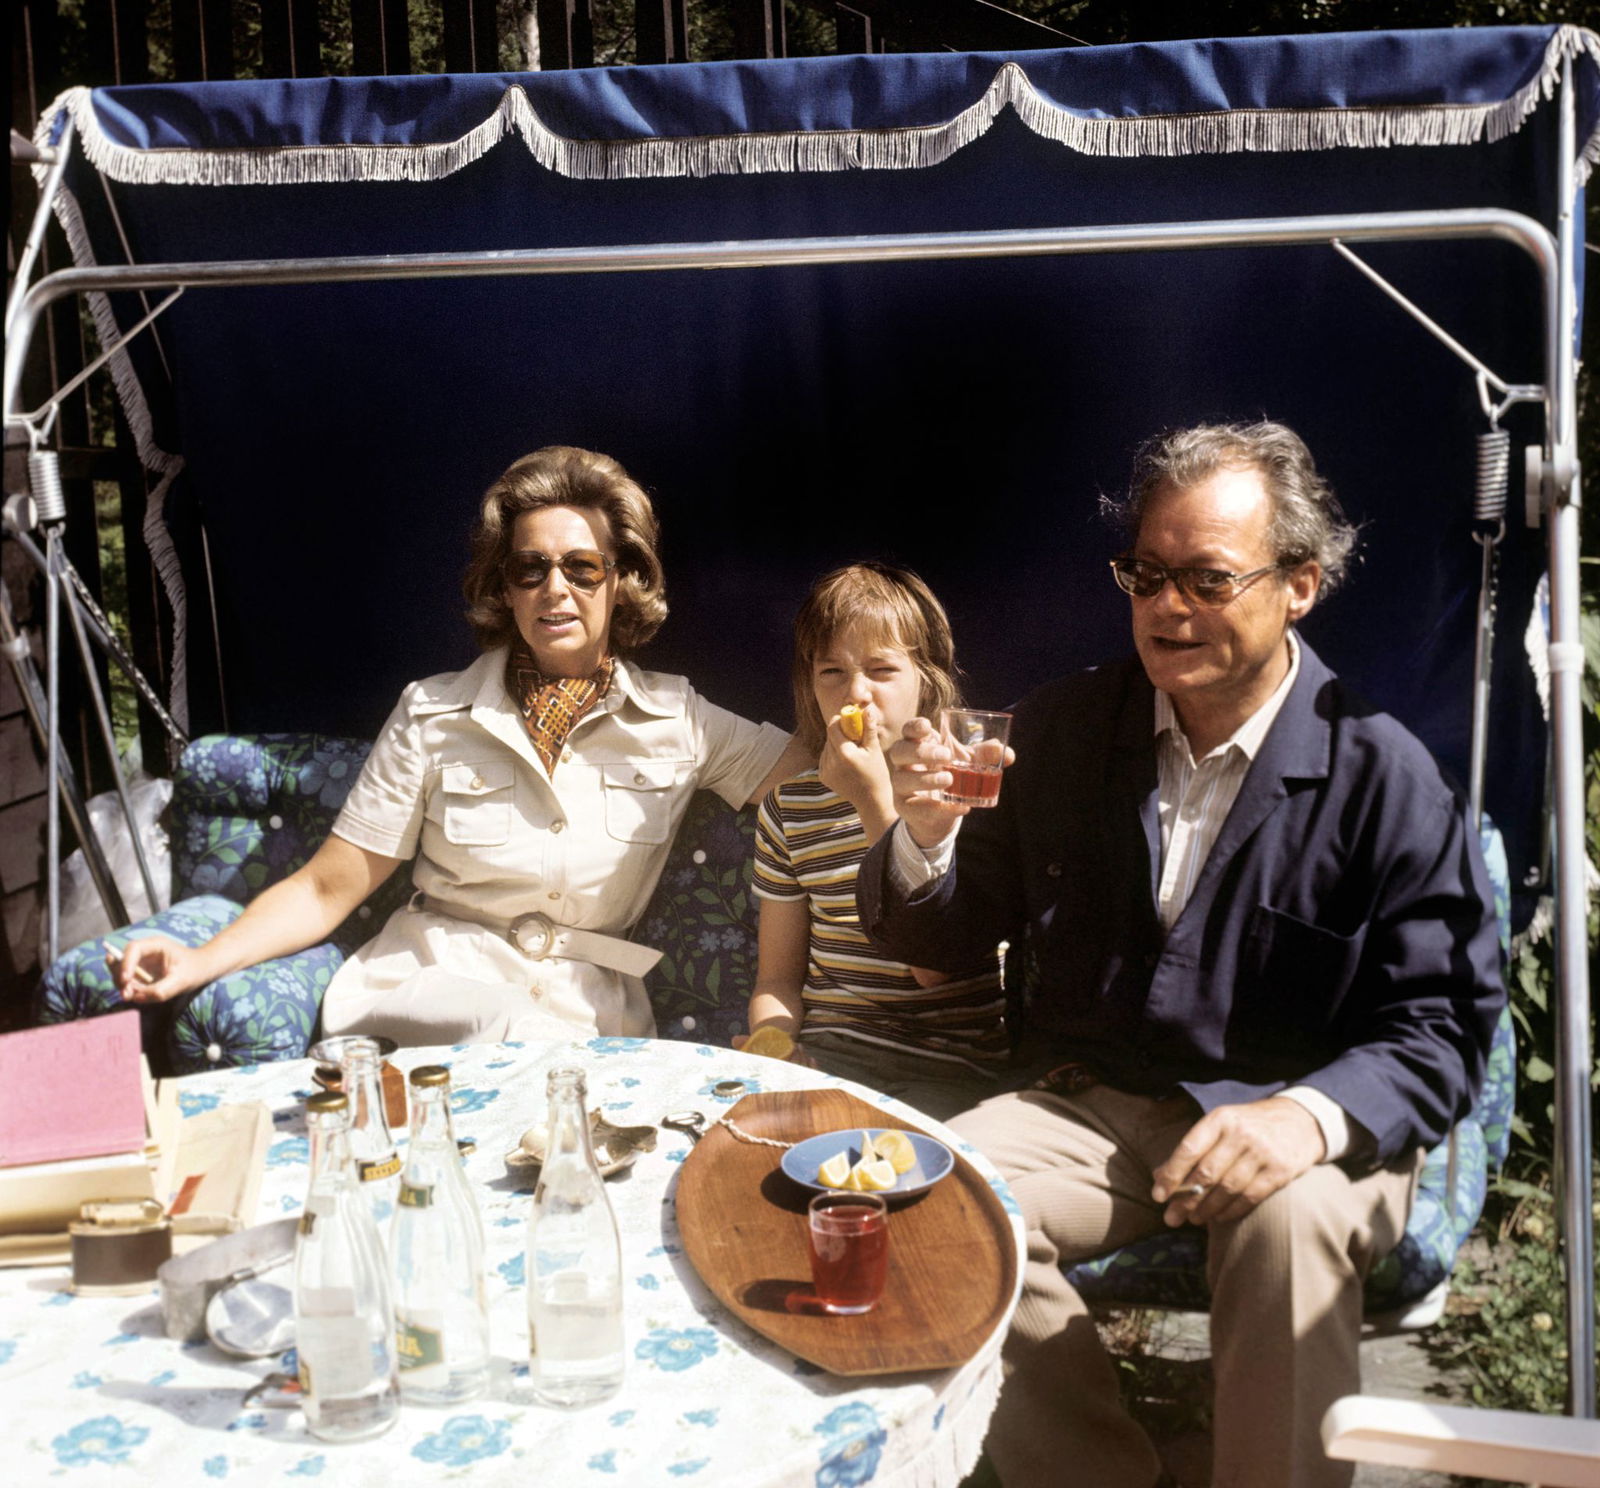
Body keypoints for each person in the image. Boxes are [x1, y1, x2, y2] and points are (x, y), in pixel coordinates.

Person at [857, 422, 1504, 1488]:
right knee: (931, 1199)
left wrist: (1307, 1116)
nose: (1167, 607)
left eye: (1206, 578)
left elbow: (1440, 1024)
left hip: (1305, 1110)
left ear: (1298, 584)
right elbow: (948, 932)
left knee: (1284, 1227)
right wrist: (923, 839)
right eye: (1146, 573)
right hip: (1098, 1103)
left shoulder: (1381, 770)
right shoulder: (1065, 727)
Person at [115, 446, 807, 1043]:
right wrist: (197, 960)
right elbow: (327, 888)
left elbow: (814, 782)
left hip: (586, 1017)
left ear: (620, 580)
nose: (554, 589)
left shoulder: (677, 718)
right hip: (431, 994)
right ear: (504, 590)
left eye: (581, 568)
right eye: (529, 569)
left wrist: (896, 770)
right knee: (510, 1040)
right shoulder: (432, 712)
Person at [743, 563, 1008, 1119]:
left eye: (882, 669)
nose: (855, 694)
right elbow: (777, 980)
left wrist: (872, 803)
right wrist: (777, 1046)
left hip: (950, 1068)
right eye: (831, 671)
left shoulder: (967, 790)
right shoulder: (790, 810)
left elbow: (932, 969)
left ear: (926, 682)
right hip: (831, 1057)